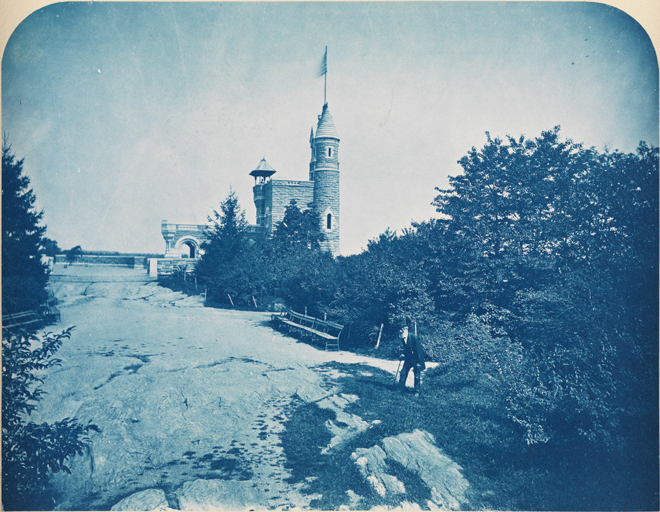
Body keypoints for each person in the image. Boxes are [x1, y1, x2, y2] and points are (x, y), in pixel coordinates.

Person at [397, 321, 426, 393]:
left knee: (416, 375)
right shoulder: (402, 337)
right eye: (399, 329)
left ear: (405, 329)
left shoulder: (413, 337)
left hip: (416, 359)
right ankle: (401, 388)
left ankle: (417, 391)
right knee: (403, 372)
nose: (399, 331)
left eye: (401, 329)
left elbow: (419, 351)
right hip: (408, 359)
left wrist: (418, 362)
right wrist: (403, 354)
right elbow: (407, 348)